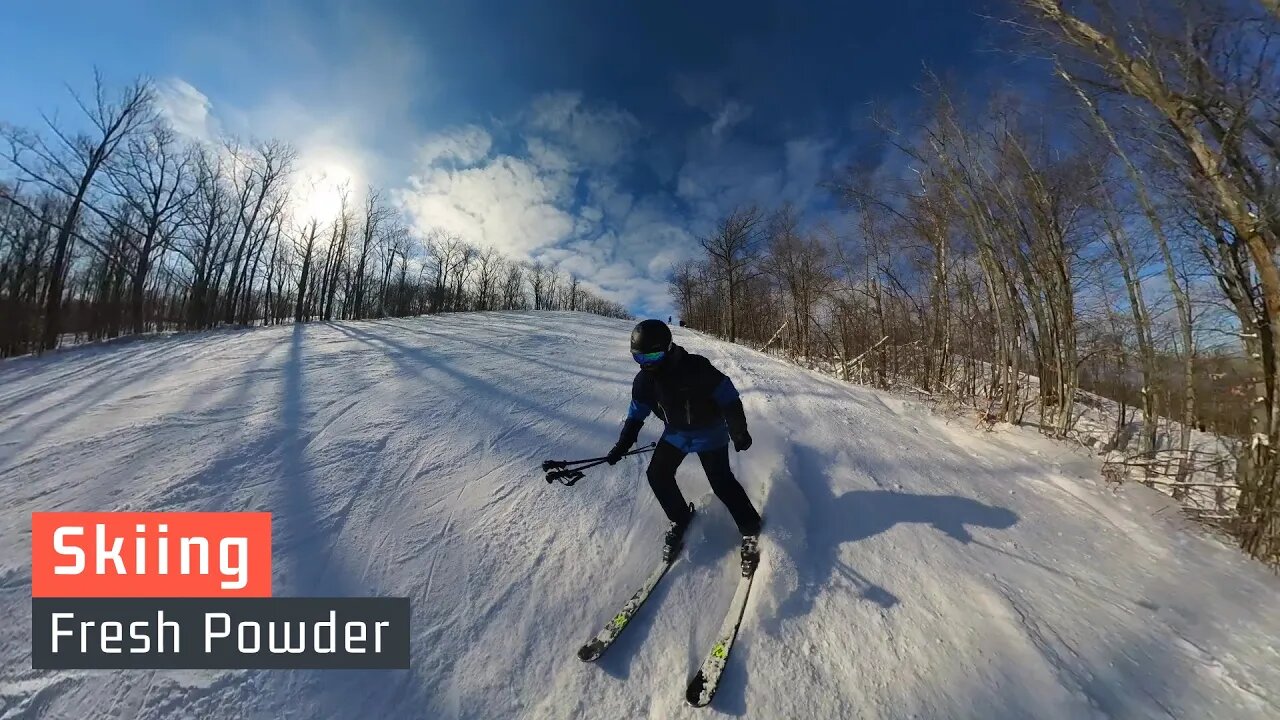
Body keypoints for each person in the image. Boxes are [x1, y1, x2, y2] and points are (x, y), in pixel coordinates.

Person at [606, 319, 762, 576]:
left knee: (721, 482)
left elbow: (729, 397)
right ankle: (681, 518)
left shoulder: (696, 367)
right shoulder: (644, 382)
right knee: (657, 475)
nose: (647, 363)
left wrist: (738, 431)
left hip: (710, 433)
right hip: (676, 434)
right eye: (639, 358)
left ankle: (750, 528)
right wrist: (621, 446)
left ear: (668, 348)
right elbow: (635, 416)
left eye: (653, 355)